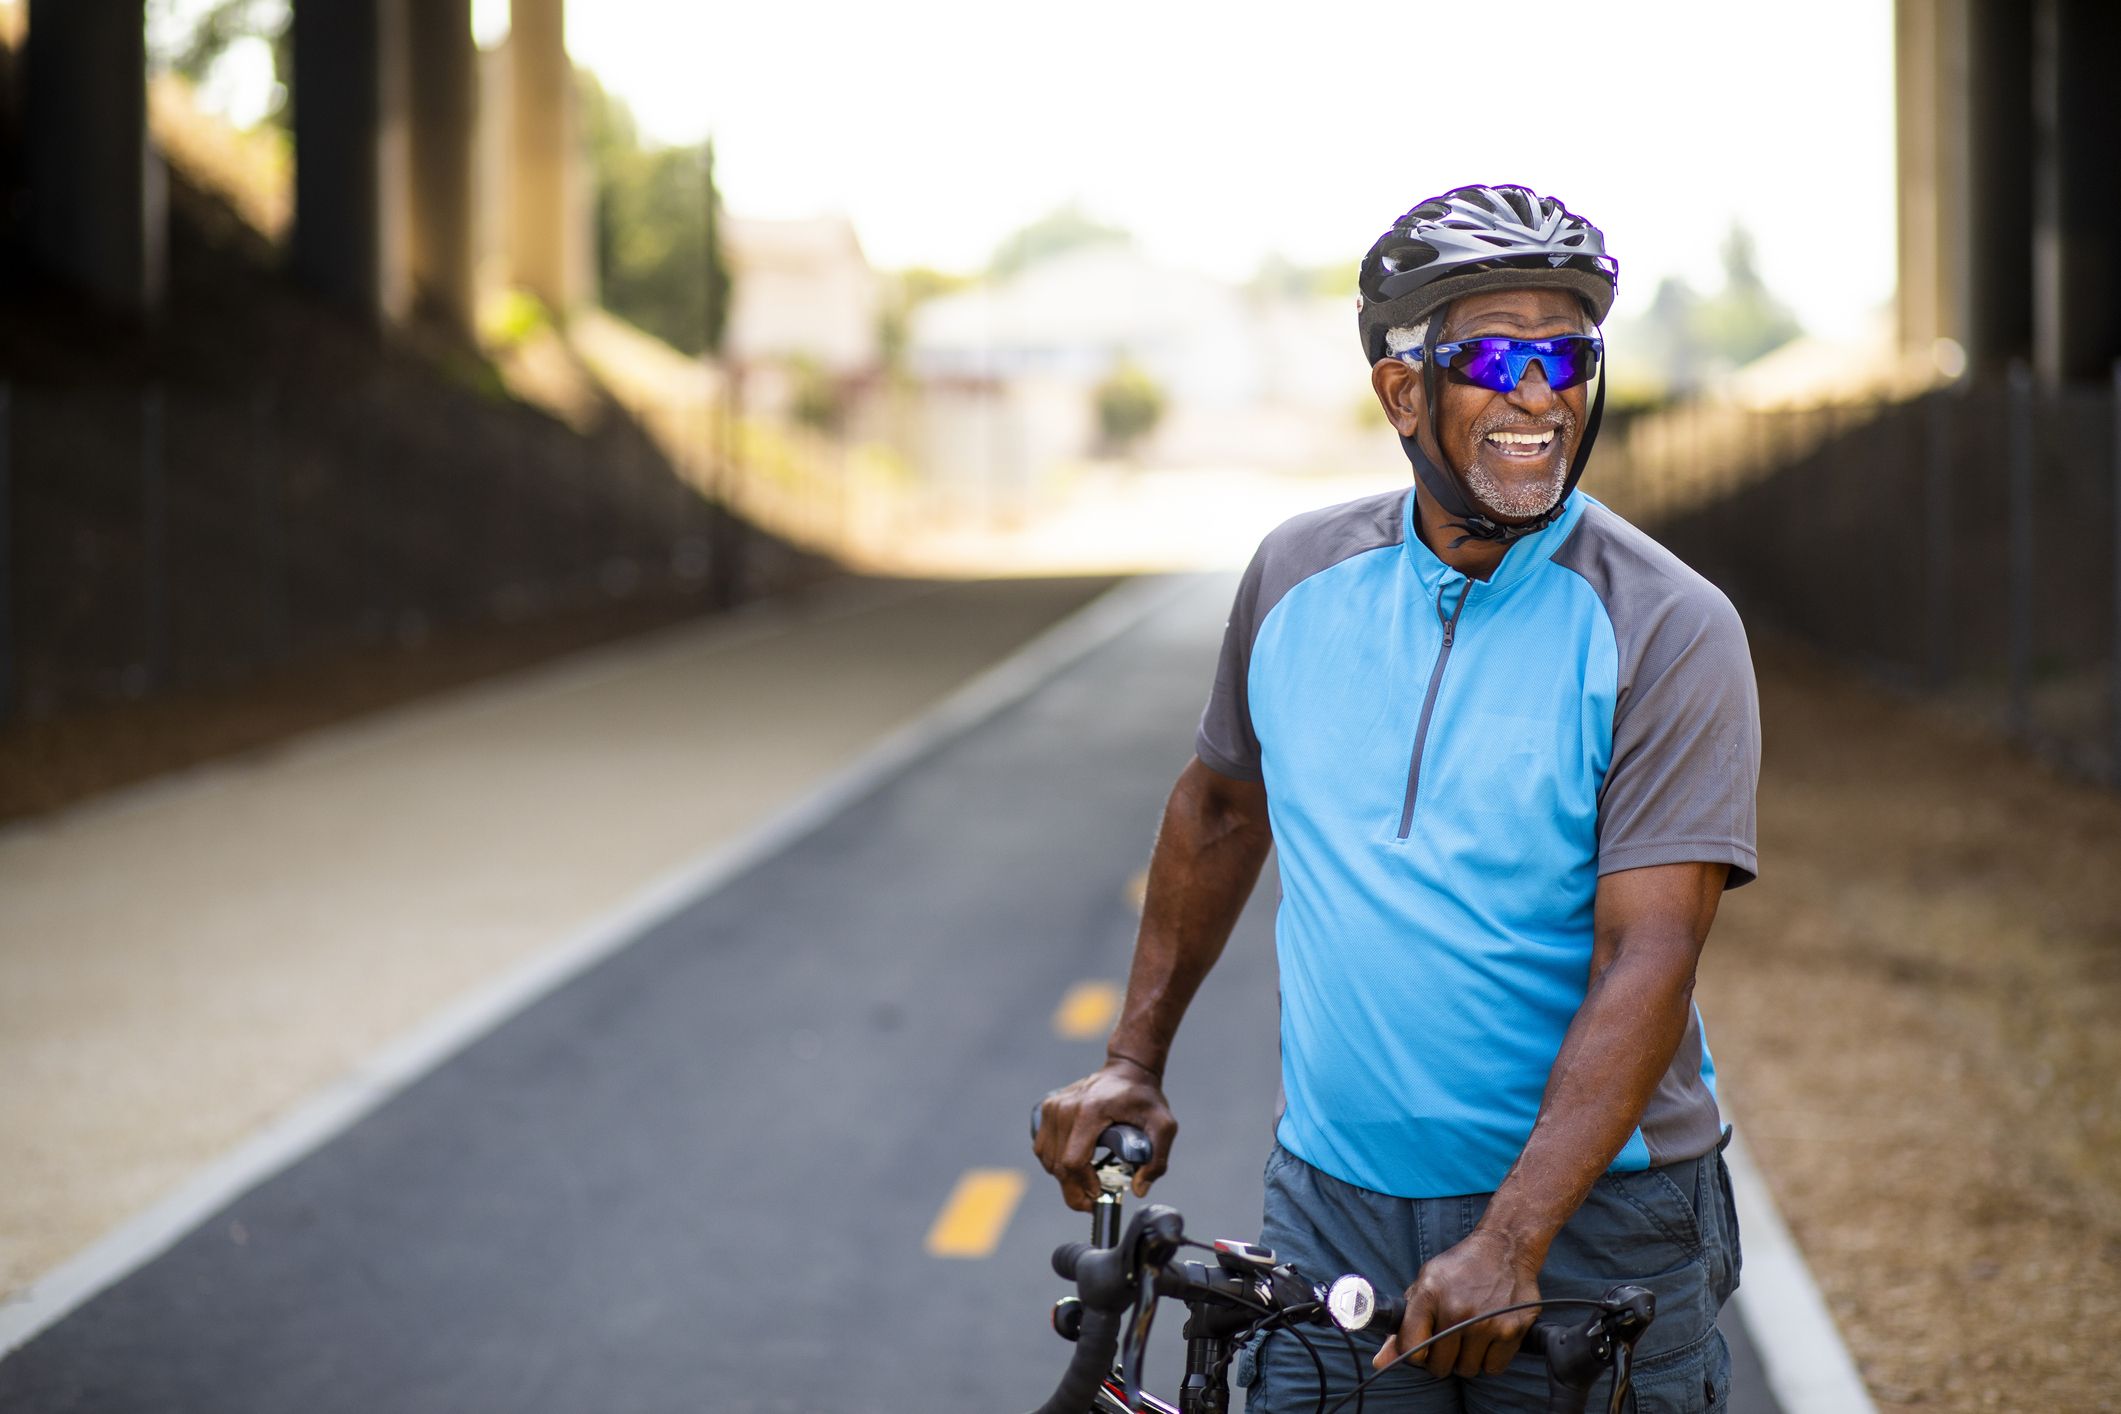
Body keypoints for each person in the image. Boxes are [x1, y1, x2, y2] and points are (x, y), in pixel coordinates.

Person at [1033, 185, 1758, 1413]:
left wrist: (1516, 1237)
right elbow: (1219, 810)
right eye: (1494, 354)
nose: (1540, 391)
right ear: (1402, 392)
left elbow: (1652, 951)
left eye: (1567, 354)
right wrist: (1131, 1058)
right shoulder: (1295, 578)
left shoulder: (1666, 623)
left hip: (1593, 1220)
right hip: (1333, 1206)